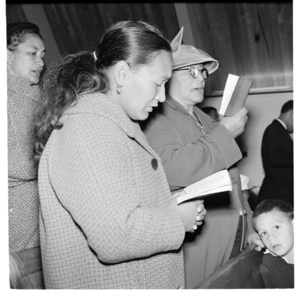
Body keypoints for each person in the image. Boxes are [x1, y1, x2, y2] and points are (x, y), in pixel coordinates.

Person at [33, 20, 206, 289]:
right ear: (123, 73)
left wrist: (166, 204)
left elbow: (117, 203)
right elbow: (115, 236)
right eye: (158, 83)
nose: (162, 97)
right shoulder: (88, 126)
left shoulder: (108, 122)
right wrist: (177, 220)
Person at [142, 27, 255, 288]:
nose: (201, 78)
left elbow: (233, 180)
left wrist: (250, 224)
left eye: (203, 71)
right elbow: (170, 170)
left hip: (235, 236)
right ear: (168, 77)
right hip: (200, 244)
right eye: (192, 71)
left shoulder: (205, 118)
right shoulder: (158, 117)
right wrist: (225, 133)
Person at [7, 22, 46, 288]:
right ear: (7, 56)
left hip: (41, 223)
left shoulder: (38, 95)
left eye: (43, 55)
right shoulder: (6, 97)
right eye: (32, 53)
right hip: (19, 231)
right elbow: (13, 163)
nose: (40, 61)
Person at [258, 100, 293, 206]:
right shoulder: (275, 130)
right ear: (292, 113)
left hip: (282, 192)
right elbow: (275, 158)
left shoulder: (278, 130)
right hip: (279, 194)